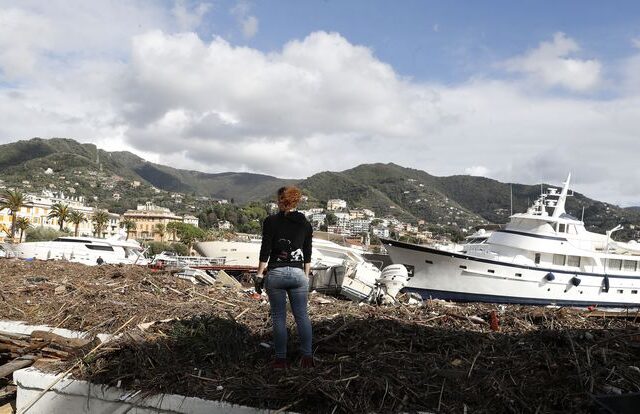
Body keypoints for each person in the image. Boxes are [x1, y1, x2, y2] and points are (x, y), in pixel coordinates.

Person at [256, 186, 313, 369]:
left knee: (279, 317)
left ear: (283, 200)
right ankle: (307, 357)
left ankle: (281, 360)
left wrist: (259, 275)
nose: (277, 202)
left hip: (276, 273)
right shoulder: (305, 224)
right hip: (298, 275)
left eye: (279, 199)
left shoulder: (271, 221)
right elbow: (308, 253)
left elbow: (265, 250)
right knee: (302, 316)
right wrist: (305, 277)